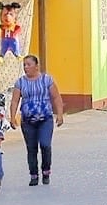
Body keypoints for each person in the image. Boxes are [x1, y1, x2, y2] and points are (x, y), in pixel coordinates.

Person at [8, 54, 65, 186]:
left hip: (45, 119)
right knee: (31, 148)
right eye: (24, 65)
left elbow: (56, 97)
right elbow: (15, 101)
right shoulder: (20, 82)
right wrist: (12, 117)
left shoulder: (47, 80)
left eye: (28, 64)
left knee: (45, 145)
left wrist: (60, 114)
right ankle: (33, 175)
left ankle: (46, 171)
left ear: (36, 66)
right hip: (28, 121)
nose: (26, 68)